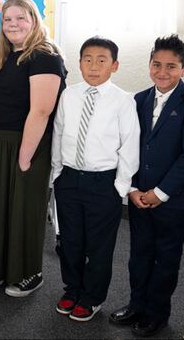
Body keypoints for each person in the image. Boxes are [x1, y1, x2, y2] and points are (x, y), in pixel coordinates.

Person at [108, 35, 184, 336]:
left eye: (171, 66)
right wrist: (133, 189)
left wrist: (160, 193)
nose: (162, 72)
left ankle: (157, 313)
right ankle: (136, 304)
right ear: (149, 65)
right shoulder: (137, 100)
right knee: (139, 253)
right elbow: (126, 148)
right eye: (156, 65)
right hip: (140, 195)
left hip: (172, 199)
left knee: (165, 258)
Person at [0, 0, 66, 296]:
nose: (13, 24)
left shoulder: (45, 57)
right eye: (7, 20)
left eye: (20, 18)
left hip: (26, 144)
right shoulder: (3, 56)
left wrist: (25, 157)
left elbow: (40, 111)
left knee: (23, 209)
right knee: (0, 207)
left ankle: (28, 273)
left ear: (34, 20)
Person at [50, 37, 140, 322]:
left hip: (104, 183)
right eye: (87, 59)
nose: (93, 66)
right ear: (79, 63)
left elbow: (130, 145)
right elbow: (58, 133)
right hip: (69, 178)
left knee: (99, 246)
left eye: (102, 60)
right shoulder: (69, 95)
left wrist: (120, 187)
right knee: (70, 241)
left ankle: (92, 297)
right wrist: (56, 174)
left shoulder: (123, 100)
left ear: (114, 65)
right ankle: (72, 288)